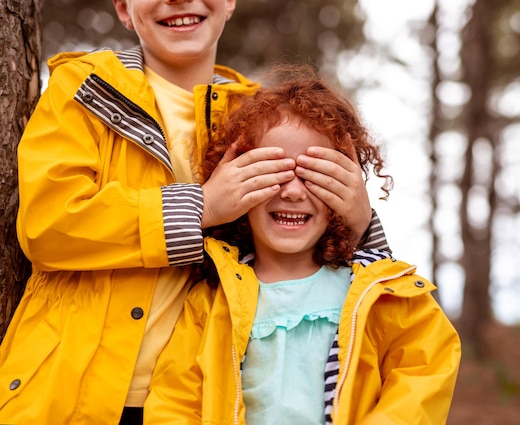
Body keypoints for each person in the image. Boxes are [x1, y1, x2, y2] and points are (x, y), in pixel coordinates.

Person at [0, 1, 388, 424]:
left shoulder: (262, 118)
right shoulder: (84, 88)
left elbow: (297, 258)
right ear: (124, 9)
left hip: (204, 401)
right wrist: (201, 206)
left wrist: (361, 224)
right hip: (66, 391)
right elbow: (49, 226)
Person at [144, 72, 462, 425]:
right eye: (273, 171)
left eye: (313, 174)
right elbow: (174, 403)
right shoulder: (211, 301)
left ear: (345, 188)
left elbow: (423, 372)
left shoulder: (382, 293)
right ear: (235, 184)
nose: (293, 192)